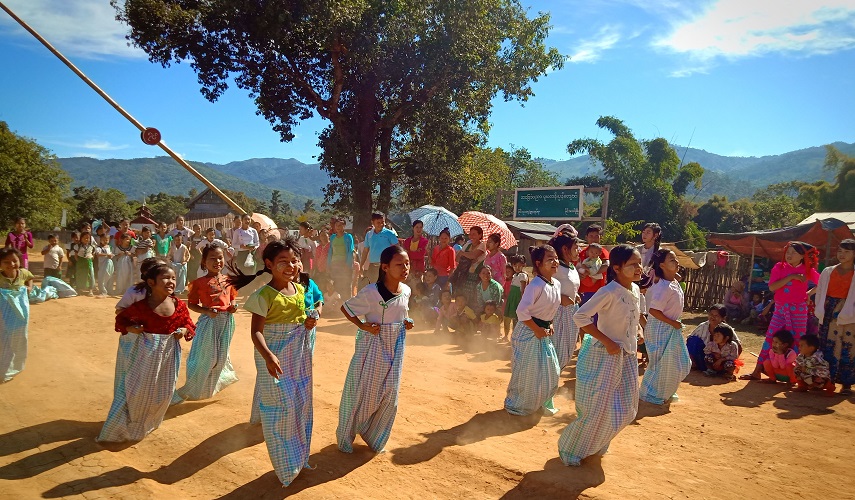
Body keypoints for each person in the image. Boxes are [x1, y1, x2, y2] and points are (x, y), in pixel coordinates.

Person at [232, 237, 318, 486]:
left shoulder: (301, 290)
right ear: (269, 264)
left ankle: (297, 457)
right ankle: (285, 464)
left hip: (298, 356)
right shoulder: (264, 295)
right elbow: (256, 332)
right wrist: (268, 356)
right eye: (283, 261)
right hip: (274, 357)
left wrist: (308, 322)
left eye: (295, 260)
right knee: (280, 406)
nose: (291, 266)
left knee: (299, 403)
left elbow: (302, 320)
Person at [557, 244, 643, 467]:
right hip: (605, 356)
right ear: (616, 267)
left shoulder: (634, 290)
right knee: (598, 409)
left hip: (627, 357)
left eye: (640, 263)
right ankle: (572, 449)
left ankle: (595, 443)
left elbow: (632, 318)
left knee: (626, 409)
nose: (639, 268)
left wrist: (638, 332)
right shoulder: (608, 292)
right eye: (633, 265)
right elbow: (580, 317)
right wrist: (607, 341)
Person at [98, 263, 195, 442]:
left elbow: (188, 323)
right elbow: (121, 321)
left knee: (164, 392)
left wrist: (183, 330)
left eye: (173, 278)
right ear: (151, 282)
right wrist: (131, 328)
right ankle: (128, 424)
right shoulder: (142, 306)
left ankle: (148, 422)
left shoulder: (179, 304)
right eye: (165, 278)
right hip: (144, 355)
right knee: (137, 391)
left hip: (168, 356)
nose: (171, 281)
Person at [337, 245, 414, 454]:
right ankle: (347, 435)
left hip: (396, 347)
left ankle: (375, 436)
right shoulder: (371, 292)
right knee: (362, 392)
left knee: (390, 394)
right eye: (399, 264)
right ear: (385, 267)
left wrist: (407, 322)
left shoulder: (406, 291)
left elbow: (401, 314)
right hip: (373, 347)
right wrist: (362, 326)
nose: (405, 268)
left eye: (407, 263)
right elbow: (346, 308)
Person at [742, 241, 820, 381]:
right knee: (770, 339)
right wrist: (791, 277)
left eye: (793, 252)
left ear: (802, 255)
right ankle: (757, 371)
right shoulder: (779, 267)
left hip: (799, 311)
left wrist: (809, 293)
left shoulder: (808, 270)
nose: (789, 255)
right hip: (780, 309)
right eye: (788, 252)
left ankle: (796, 375)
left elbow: (821, 283)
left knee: (798, 341)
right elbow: (772, 287)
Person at [172, 245, 240, 404]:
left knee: (221, 357)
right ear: (204, 261)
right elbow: (192, 304)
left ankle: (209, 388)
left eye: (220, 257)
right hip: (209, 322)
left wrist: (233, 306)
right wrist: (207, 311)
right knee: (207, 357)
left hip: (227, 322)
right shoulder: (198, 283)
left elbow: (232, 298)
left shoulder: (228, 280)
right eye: (213, 258)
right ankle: (193, 388)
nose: (217, 261)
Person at [504, 245, 562, 416]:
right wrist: (537, 329)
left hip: (541, 332)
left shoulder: (556, 284)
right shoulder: (535, 285)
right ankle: (519, 405)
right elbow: (521, 311)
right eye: (550, 259)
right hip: (528, 333)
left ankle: (539, 403)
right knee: (527, 373)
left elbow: (550, 310)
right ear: (538, 263)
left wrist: (549, 324)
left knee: (551, 370)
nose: (555, 262)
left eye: (556, 258)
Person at [639, 249, 690, 405]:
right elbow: (654, 310)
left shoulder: (673, 282)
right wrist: (673, 323)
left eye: (675, 260)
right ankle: (649, 393)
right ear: (662, 265)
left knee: (676, 362)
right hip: (661, 327)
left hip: (669, 327)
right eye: (672, 260)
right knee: (660, 363)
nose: (677, 262)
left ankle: (665, 390)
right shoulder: (662, 287)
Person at [815, 239, 855, 395]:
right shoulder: (828, 271)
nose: (842, 254)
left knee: (848, 347)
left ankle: (847, 383)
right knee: (827, 346)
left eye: (847, 251)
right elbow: (820, 291)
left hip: (850, 312)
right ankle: (825, 379)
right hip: (829, 311)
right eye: (840, 251)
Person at [549, 233, 582, 371]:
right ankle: (548, 382)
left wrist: (576, 295)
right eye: (575, 247)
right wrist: (562, 298)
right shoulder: (555, 268)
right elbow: (548, 286)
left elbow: (570, 286)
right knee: (557, 350)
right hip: (558, 314)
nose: (578, 250)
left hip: (571, 313)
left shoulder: (572, 267)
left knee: (567, 350)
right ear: (565, 249)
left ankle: (552, 380)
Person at [0, 248, 31, 383]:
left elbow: (30, 277)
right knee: (3, 338)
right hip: (3, 313)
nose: (11, 264)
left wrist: (28, 288)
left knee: (18, 337)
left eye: (15, 260)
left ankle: (14, 365)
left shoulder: (22, 273)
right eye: (6, 261)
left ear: (20, 261)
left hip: (19, 313)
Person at [686, 304, 742, 371]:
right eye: (711, 314)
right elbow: (689, 342)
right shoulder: (703, 326)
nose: (712, 317)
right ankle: (696, 364)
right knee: (692, 340)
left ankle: (724, 371)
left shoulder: (727, 329)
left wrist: (725, 359)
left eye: (716, 316)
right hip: (706, 357)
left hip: (723, 360)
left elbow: (738, 346)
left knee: (728, 365)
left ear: (723, 318)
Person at [359, 212, 399, 288]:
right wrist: (361, 265)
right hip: (373, 266)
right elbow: (365, 250)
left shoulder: (389, 233)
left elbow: (397, 248)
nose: (381, 224)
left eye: (382, 222)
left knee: (385, 286)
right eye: (378, 222)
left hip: (385, 265)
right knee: (372, 287)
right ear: (372, 222)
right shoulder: (369, 234)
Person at [452, 226, 487, 308]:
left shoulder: (482, 245)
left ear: (480, 235)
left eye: (474, 234)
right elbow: (457, 258)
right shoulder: (468, 244)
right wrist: (468, 256)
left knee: (475, 299)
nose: (471, 236)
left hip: (477, 275)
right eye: (470, 234)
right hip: (465, 275)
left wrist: (464, 254)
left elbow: (473, 255)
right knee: (463, 298)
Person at [578, 225, 610, 306]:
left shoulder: (602, 251)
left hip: (598, 290)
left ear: (600, 237)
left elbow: (606, 265)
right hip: (582, 290)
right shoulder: (582, 252)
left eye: (596, 236)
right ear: (586, 237)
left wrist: (591, 272)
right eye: (591, 236)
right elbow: (578, 266)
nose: (593, 239)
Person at [328, 216, 356, 302]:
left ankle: (348, 304)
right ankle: (338, 305)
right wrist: (328, 265)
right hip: (334, 264)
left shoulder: (348, 237)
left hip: (344, 263)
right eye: (336, 225)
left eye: (340, 225)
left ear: (344, 226)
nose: (338, 227)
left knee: (346, 284)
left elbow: (350, 251)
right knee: (336, 284)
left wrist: (348, 265)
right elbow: (330, 251)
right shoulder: (332, 237)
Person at [502, 254, 528, 342]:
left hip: (517, 299)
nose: (517, 267)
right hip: (511, 298)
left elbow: (523, 289)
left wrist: (521, 301)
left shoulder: (523, 276)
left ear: (523, 265)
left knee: (516, 319)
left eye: (519, 266)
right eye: (515, 265)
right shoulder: (515, 275)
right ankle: (506, 336)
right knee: (508, 317)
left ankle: (515, 337)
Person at [74, 231, 97, 296]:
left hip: (89, 261)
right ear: (81, 238)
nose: (87, 239)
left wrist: (91, 258)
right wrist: (79, 261)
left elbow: (93, 253)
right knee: (80, 275)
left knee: (90, 275)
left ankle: (90, 290)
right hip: (81, 261)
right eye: (85, 238)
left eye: (88, 238)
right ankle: (79, 289)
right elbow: (76, 255)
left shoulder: (92, 246)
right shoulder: (77, 246)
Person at [94, 233, 115, 297]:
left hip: (109, 264)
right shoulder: (98, 247)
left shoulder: (110, 247)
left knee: (110, 277)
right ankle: (103, 291)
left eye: (107, 240)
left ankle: (109, 290)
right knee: (102, 277)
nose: (106, 241)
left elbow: (112, 254)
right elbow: (98, 254)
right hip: (102, 265)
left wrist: (111, 255)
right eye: (104, 240)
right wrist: (106, 255)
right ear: (100, 240)